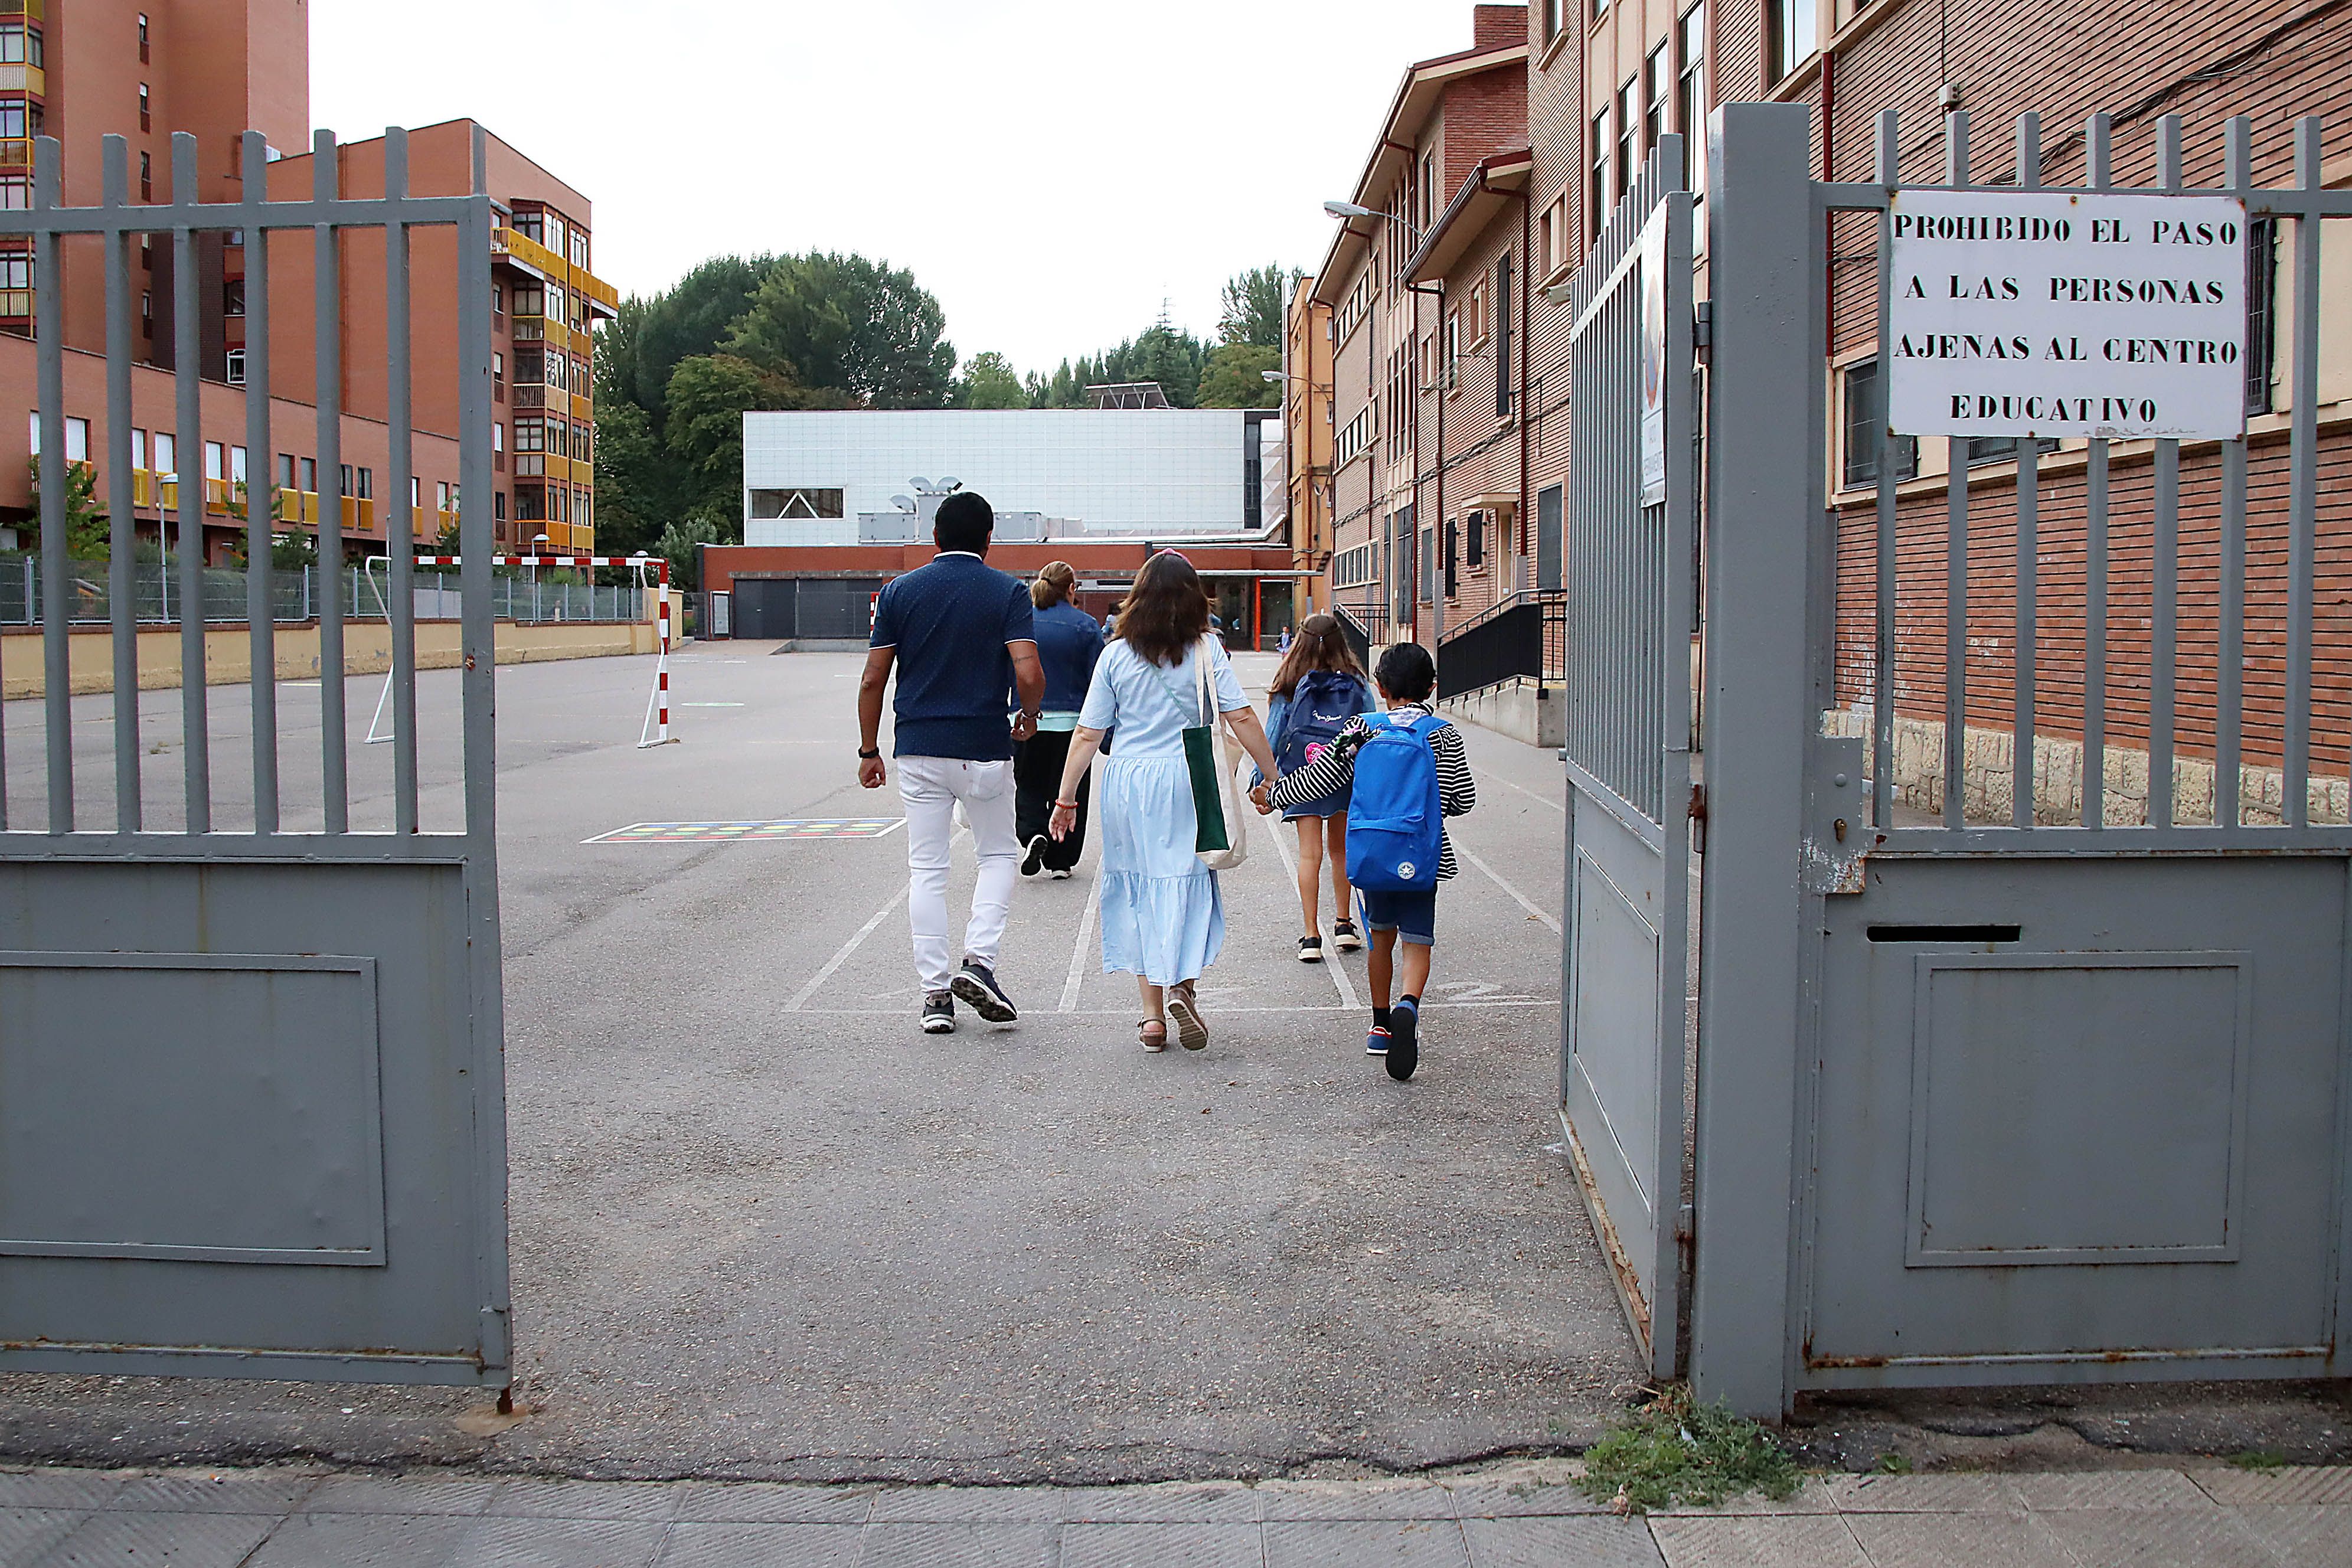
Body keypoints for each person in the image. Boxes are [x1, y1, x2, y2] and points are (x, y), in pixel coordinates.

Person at [1047, 551, 1280, 1053]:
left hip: (1128, 779)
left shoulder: (1114, 654)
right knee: (1190, 879)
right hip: (1189, 775)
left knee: (1139, 884)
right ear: (1195, 598)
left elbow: (1089, 733)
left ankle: (1152, 1018)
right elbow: (1239, 717)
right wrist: (1272, 772)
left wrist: (1066, 798)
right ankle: (1183, 985)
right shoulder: (1205, 650)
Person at [857, 492, 1044, 1037]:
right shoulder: (1007, 592)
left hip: (918, 748)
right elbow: (1028, 673)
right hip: (984, 746)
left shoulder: (899, 592)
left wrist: (869, 749)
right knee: (997, 857)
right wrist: (1028, 716)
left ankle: (935, 996)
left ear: (935, 538)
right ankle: (979, 963)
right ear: (990, 540)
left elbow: (874, 678)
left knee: (928, 871)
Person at [1255, 641, 1475, 1081]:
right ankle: (1408, 1006)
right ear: (1432, 686)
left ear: (1379, 685)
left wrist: (1274, 796)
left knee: (1380, 938)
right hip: (1421, 856)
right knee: (1418, 942)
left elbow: (1321, 780)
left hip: (1372, 853)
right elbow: (1461, 799)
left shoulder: (1361, 729)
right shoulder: (1444, 734)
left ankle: (1379, 1025)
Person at [1255, 613, 1376, 963]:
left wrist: (1260, 781)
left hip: (1302, 777)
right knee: (1340, 851)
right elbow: (1369, 730)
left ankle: (1311, 935)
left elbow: (1273, 736)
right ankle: (1344, 925)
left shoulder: (1290, 681)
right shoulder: (1356, 681)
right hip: (1343, 776)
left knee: (1310, 854)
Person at [1015, 561, 1102, 879]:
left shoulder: (1023, 622)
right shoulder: (1086, 626)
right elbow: (1099, 679)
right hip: (1074, 724)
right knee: (1069, 789)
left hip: (1028, 718)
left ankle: (1033, 832)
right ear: (1071, 589)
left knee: (1029, 784)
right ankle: (1061, 859)